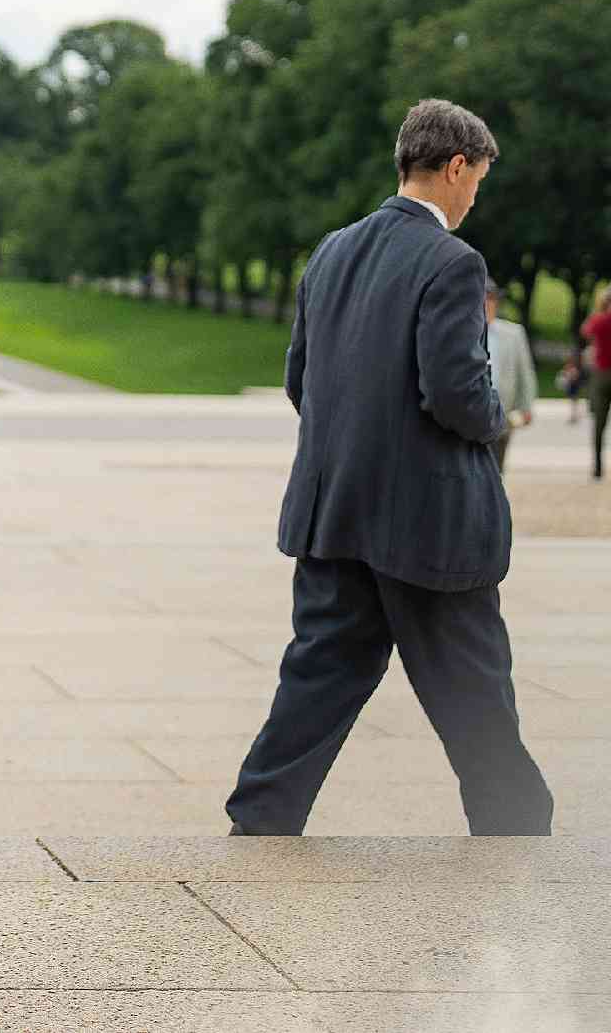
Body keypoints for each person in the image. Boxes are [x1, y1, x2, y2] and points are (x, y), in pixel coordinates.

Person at [227, 98, 551, 837]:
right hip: (427, 526)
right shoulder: (453, 261)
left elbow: (299, 380)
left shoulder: (332, 251)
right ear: (457, 166)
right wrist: (499, 414)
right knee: (473, 691)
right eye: (477, 182)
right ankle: (518, 830)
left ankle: (262, 816)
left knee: (317, 679)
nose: (474, 199)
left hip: (333, 513)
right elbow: (457, 394)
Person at [484, 279, 537, 473]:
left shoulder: (513, 333)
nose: (486, 305)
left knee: (497, 466)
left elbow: (525, 371)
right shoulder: (465, 334)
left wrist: (526, 406)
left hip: (503, 410)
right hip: (473, 409)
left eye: (490, 300)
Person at [584, 287, 611, 480]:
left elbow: (585, 331)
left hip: (601, 374)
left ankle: (598, 467)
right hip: (602, 373)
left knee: (599, 425)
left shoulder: (599, 320)